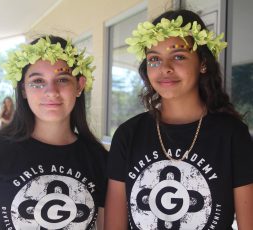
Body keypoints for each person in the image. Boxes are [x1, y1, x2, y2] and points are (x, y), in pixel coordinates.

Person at [104, 9, 253, 230]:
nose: (165, 68)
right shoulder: (128, 134)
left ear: (202, 62)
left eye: (179, 56)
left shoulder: (232, 134)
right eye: (154, 59)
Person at [0, 35, 107, 230]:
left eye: (62, 79)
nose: (51, 91)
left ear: (80, 85)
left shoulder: (98, 158)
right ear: (23, 89)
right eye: (38, 81)